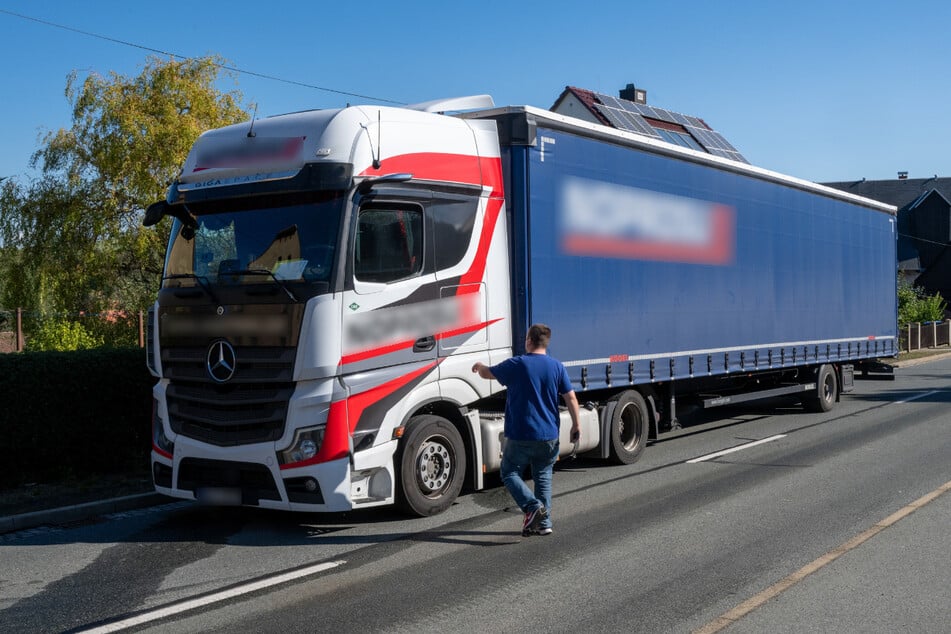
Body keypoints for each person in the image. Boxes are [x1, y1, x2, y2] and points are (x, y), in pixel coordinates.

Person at [472, 323, 580, 536]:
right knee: (543, 476)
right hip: (549, 434)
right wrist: (576, 425)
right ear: (546, 343)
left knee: (509, 471)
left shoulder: (518, 364)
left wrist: (478, 365)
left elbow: (488, 374)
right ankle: (544, 523)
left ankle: (532, 507)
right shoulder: (557, 367)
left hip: (521, 433)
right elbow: (571, 398)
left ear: (529, 341)